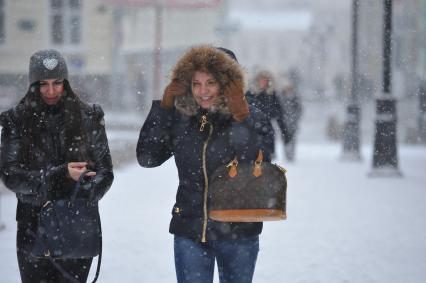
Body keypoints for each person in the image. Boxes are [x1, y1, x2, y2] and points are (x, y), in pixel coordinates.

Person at [136, 45, 274, 283]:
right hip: (190, 229)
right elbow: (147, 157)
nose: (203, 91)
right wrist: (164, 108)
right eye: (196, 83)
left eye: (211, 83)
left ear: (228, 83)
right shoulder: (183, 119)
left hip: (239, 232)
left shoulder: (253, 118)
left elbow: (259, 169)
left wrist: (242, 118)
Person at [0, 49, 114, 282]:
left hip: (77, 224)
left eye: (57, 82)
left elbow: (106, 172)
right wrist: (58, 176)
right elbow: (10, 175)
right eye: (43, 84)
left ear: (66, 82)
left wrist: (86, 187)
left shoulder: (88, 116)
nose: (51, 91)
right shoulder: (16, 120)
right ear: (33, 84)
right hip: (33, 225)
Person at [245, 70, 285, 158]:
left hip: (267, 131)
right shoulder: (250, 94)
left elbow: (279, 114)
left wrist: (284, 133)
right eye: (261, 79)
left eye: (265, 79)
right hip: (251, 131)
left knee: (266, 162)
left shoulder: (272, 95)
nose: (263, 82)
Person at [277, 81, 302, 161]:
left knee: (293, 139)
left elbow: (299, 109)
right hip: (283, 123)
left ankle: (291, 155)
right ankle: (286, 154)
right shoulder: (280, 97)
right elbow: (278, 109)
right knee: (285, 139)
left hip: (293, 123)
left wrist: (295, 118)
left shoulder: (295, 97)